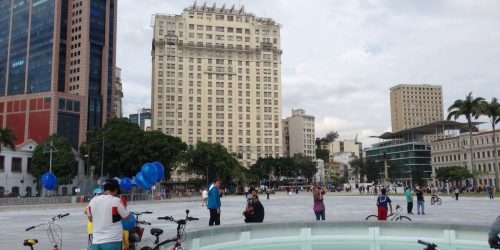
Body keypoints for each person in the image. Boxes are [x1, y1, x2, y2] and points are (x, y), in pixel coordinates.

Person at [88, 179, 131, 250]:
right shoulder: (116, 201)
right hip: (113, 241)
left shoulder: (92, 201)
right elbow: (127, 217)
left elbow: (90, 218)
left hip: (96, 242)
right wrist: (124, 206)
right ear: (115, 190)